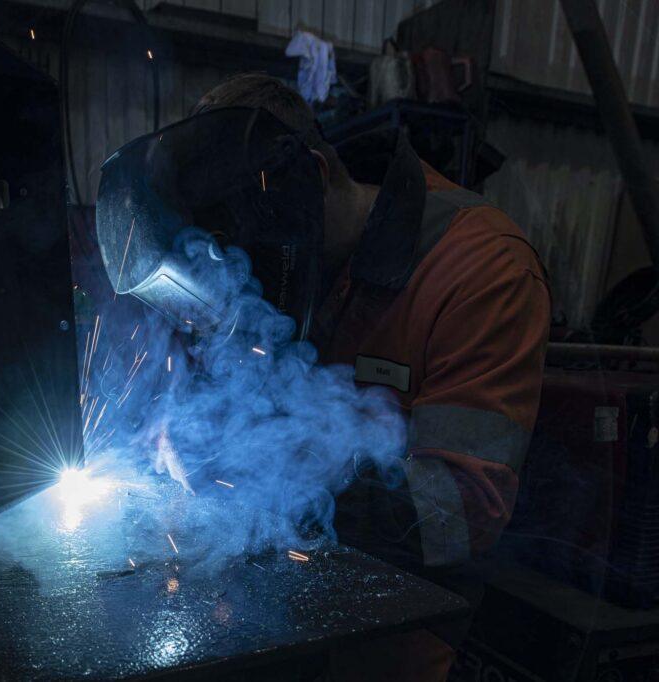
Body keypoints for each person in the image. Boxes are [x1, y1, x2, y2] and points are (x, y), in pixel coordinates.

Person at [192, 73, 551, 681]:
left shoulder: (483, 269)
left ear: (315, 173)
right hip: (283, 614)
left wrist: (272, 474)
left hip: (396, 642)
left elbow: (465, 511)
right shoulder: (296, 265)